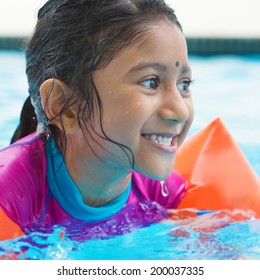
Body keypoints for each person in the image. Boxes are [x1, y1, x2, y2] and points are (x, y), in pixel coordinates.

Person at [1, 0, 259, 242]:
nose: (180, 111)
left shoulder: (161, 193)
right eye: (151, 82)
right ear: (64, 107)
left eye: (184, 84)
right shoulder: (11, 200)